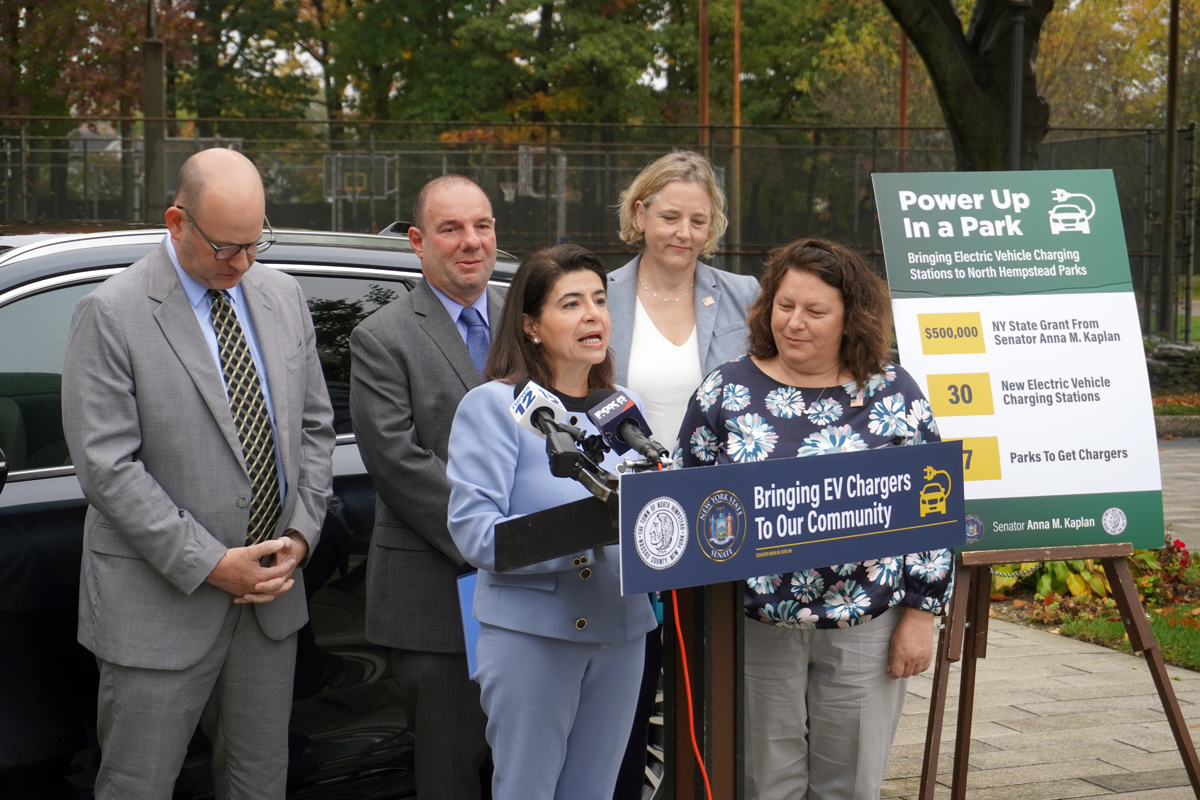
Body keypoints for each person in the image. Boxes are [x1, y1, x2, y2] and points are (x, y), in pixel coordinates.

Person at [61, 148, 335, 799]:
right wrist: (211, 563)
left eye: (255, 243)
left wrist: (300, 536)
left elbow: (315, 429)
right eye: (225, 247)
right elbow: (108, 468)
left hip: (269, 605)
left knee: (258, 784)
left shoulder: (283, 296)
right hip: (159, 608)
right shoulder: (111, 312)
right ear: (177, 221)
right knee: (138, 786)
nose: (241, 263)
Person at [676, 237, 954, 800]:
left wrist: (921, 614)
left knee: (849, 786)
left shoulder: (894, 392)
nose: (794, 322)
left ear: (852, 318)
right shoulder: (726, 389)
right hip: (753, 627)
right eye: (784, 305)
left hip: (866, 625)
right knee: (764, 784)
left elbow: (933, 510)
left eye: (815, 311)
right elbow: (686, 496)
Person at [446, 244, 657, 800]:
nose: (593, 315)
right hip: (532, 639)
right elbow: (476, 534)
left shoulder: (623, 407)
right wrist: (590, 527)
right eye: (571, 303)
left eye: (600, 300)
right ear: (531, 326)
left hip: (622, 633)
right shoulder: (493, 407)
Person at [607, 150, 759, 797]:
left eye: (699, 220)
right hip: (621, 517)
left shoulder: (745, 296)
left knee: (709, 678)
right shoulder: (601, 294)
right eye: (670, 216)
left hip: (716, 517)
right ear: (640, 213)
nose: (684, 233)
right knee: (634, 683)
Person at [349, 174, 498, 799]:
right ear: (417, 241)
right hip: (439, 600)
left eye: (482, 226)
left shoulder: (526, 324)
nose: (471, 242)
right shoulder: (383, 336)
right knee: (450, 773)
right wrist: (503, 543)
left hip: (536, 596)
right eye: (451, 229)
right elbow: (398, 462)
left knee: (525, 769)